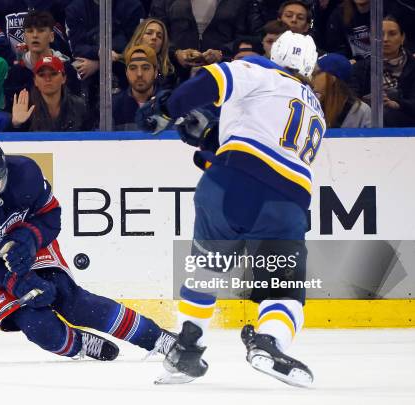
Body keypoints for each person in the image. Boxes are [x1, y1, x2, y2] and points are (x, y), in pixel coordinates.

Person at [136, 31, 323, 387]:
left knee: (206, 270)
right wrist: (211, 138)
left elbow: (213, 80)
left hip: (228, 185)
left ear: (273, 54)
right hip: (288, 202)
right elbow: (267, 140)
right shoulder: (315, 107)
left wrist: (166, 109)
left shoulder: (258, 68)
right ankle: (269, 340)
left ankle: (187, 345)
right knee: (283, 289)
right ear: (310, 68)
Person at [0, 133, 176, 361]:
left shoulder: (25, 172)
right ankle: (80, 344)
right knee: (40, 327)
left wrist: (30, 237)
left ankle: (157, 337)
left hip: (30, 245)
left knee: (73, 302)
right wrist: (14, 281)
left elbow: (51, 216)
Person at [351, 16, 415, 127]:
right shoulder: (361, 67)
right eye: (380, 34)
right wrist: (368, 101)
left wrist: (396, 104)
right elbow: (351, 99)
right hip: (367, 121)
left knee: (387, 115)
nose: (385, 39)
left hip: (406, 125)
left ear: (402, 38)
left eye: (392, 34)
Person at [3, 10, 80, 110]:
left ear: (51, 36)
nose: (35, 35)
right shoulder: (16, 73)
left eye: (41, 30)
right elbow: (11, 110)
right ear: (25, 37)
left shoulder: (67, 69)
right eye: (30, 31)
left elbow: (75, 108)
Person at [11, 56, 90, 131]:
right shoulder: (26, 108)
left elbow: (92, 139)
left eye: (53, 74)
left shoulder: (79, 106)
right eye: (42, 75)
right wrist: (16, 125)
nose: (48, 79)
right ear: (35, 81)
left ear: (64, 78)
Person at [313, 53, 371, 128]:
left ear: (332, 79)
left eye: (316, 72)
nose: (312, 76)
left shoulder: (361, 111)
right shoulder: (311, 104)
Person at [123, 18, 177, 91]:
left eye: (159, 36)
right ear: (139, 37)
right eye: (149, 33)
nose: (154, 37)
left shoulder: (169, 72)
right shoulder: (121, 64)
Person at [113, 45, 159, 130]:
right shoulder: (113, 106)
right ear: (126, 73)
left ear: (155, 72)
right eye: (133, 68)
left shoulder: (169, 104)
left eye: (145, 68)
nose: (139, 74)